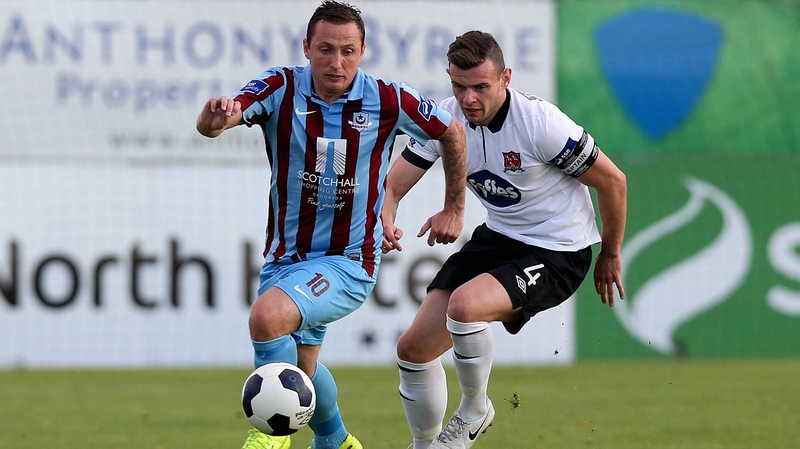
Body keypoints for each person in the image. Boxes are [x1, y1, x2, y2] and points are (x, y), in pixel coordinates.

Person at [195, 2, 467, 449]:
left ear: (363, 51)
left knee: (267, 318)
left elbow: (451, 132)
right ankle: (337, 441)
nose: (336, 62)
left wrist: (454, 207)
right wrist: (213, 118)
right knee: (303, 366)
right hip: (285, 259)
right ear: (307, 48)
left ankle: (272, 438)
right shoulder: (281, 86)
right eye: (324, 49)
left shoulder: (387, 98)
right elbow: (220, 120)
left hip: (350, 261)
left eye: (347, 51)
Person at [382, 30, 627, 449]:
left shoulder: (541, 125)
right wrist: (386, 218)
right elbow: (393, 184)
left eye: (481, 86)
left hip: (559, 250)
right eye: (459, 87)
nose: (469, 98)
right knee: (413, 349)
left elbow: (613, 182)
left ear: (505, 77)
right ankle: (426, 445)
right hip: (499, 237)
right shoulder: (445, 117)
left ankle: (475, 410)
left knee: (464, 307)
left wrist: (610, 252)